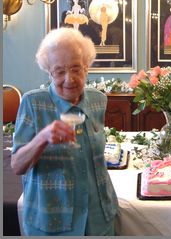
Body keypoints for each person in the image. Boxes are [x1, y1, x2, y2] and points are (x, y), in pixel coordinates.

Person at [11, 27, 118, 236]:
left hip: (98, 216)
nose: (69, 79)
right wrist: (42, 138)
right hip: (52, 219)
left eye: (76, 68)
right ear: (49, 72)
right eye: (59, 71)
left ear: (87, 67)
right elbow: (17, 165)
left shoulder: (98, 101)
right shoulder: (33, 103)